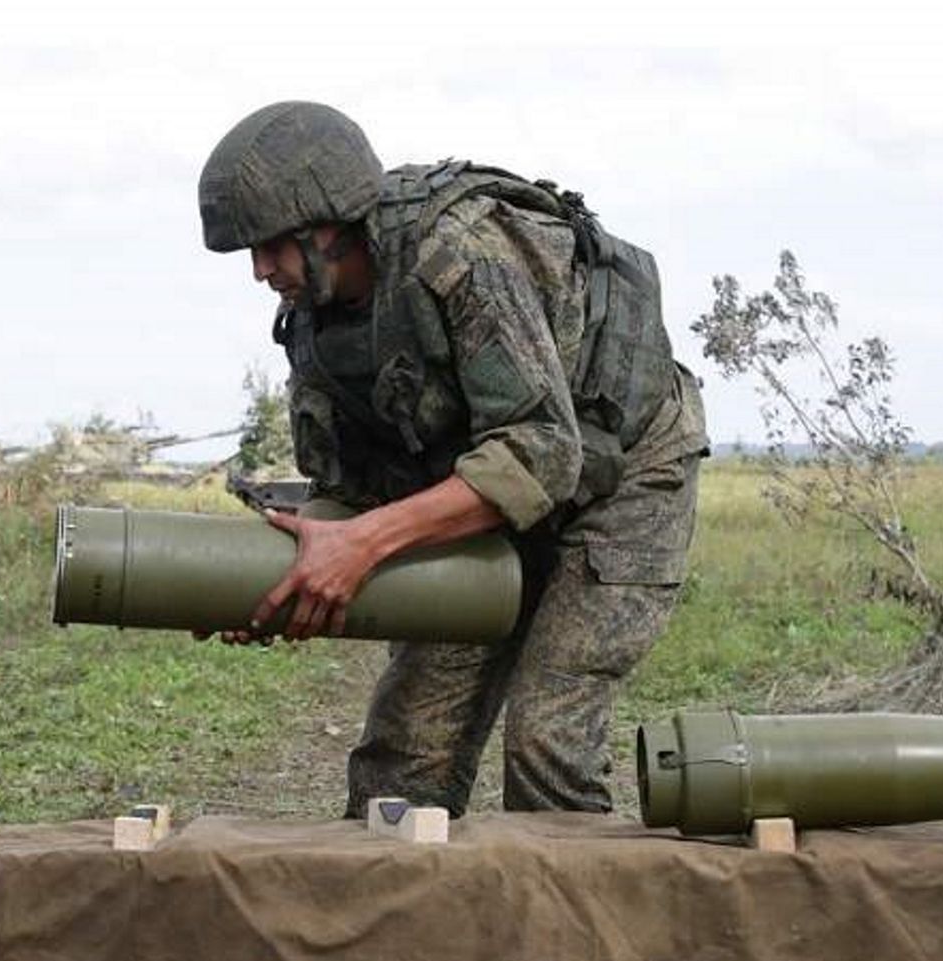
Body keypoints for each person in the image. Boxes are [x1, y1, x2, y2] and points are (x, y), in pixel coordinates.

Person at [197, 101, 708, 820]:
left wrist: (366, 544)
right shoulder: (318, 323)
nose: (259, 271)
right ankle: (400, 927)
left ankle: (567, 928)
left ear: (329, 226)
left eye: (271, 246)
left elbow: (541, 452)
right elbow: (345, 490)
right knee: (404, 753)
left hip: (621, 477)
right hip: (478, 493)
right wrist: (271, 586)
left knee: (546, 741)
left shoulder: (461, 254)